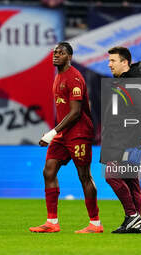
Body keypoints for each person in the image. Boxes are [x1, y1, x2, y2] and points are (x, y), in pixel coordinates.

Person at [29, 42, 102, 234]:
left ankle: (95, 223)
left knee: (84, 176)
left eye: (60, 53)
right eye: (54, 52)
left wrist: (52, 133)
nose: (56, 55)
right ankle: (52, 222)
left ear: (69, 57)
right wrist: (56, 133)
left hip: (79, 133)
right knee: (49, 171)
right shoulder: (58, 76)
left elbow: (76, 112)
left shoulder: (74, 78)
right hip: (63, 134)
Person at [101, 46, 141, 233]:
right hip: (121, 137)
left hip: (127, 139)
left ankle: (132, 216)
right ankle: (135, 223)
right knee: (131, 181)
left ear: (125, 62)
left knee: (111, 175)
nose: (109, 64)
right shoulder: (125, 81)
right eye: (109, 61)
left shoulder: (134, 83)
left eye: (113, 61)